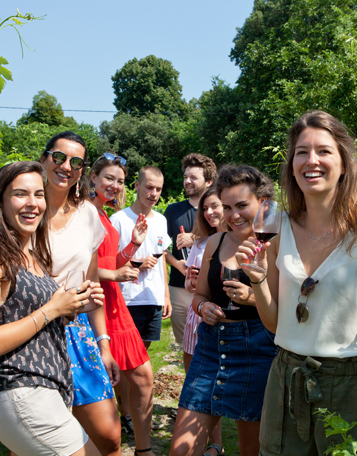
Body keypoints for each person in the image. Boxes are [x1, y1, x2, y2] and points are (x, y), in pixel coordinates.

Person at [236, 111, 357, 455]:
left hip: (354, 387)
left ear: (344, 163)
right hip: (287, 379)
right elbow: (274, 323)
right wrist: (257, 281)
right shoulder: (276, 225)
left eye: (324, 151)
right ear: (291, 164)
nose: (311, 160)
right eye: (302, 151)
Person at [0, 161, 102, 456]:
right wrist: (51, 309)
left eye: (39, 194)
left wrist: (69, 307)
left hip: (47, 392)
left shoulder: (34, 258)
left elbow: (29, 322)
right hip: (23, 392)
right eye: (20, 194)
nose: (32, 203)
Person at [170, 165, 278, 456]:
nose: (234, 215)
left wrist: (253, 298)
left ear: (263, 202)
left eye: (243, 205)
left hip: (258, 348)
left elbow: (286, 310)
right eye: (227, 207)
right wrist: (204, 307)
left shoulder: (274, 244)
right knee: (181, 450)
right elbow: (200, 295)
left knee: (251, 450)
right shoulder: (216, 242)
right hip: (210, 347)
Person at [40, 132, 122, 456]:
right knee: (34, 439)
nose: (66, 166)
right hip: (34, 331)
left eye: (76, 162)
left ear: (82, 170)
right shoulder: (26, 209)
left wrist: (104, 344)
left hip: (78, 334)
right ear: (45, 158)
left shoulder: (88, 214)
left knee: (109, 436)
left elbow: (92, 287)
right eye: (59, 157)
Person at [88, 153, 158, 456]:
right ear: (92, 177)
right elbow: (79, 266)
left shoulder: (103, 213)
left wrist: (132, 244)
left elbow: (110, 261)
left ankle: (144, 450)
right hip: (93, 303)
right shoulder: (82, 212)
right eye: (108, 178)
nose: (115, 185)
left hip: (113, 303)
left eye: (119, 181)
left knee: (143, 378)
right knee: (99, 389)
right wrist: (115, 274)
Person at [182, 186, 226, 456]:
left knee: (218, 386)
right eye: (205, 208)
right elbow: (192, 287)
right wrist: (190, 282)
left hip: (223, 322)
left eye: (215, 206)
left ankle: (218, 444)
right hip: (194, 319)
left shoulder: (240, 241)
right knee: (197, 386)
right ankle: (215, 444)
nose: (210, 212)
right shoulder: (199, 243)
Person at [110, 166, 172, 348]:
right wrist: (138, 264)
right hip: (128, 298)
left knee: (144, 351)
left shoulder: (161, 220)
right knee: (127, 353)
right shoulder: (119, 219)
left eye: (158, 189)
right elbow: (110, 261)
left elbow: (161, 260)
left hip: (154, 298)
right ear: (137, 185)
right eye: (149, 187)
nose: (154, 194)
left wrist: (165, 296)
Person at [164, 154, 217, 357]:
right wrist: (177, 265)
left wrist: (194, 237)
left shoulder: (217, 209)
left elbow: (225, 232)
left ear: (209, 181)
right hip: (179, 288)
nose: (187, 181)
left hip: (210, 289)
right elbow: (162, 248)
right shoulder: (172, 210)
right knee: (187, 346)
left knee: (210, 344)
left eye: (194, 177)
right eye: (186, 176)